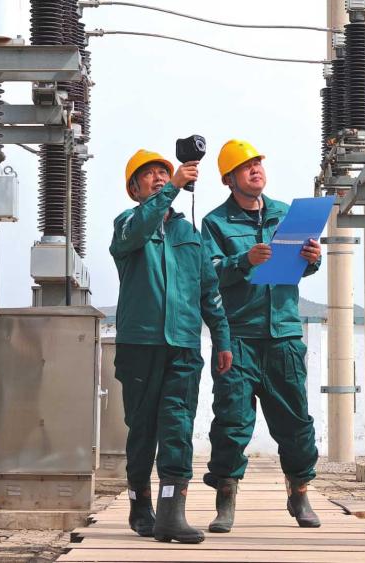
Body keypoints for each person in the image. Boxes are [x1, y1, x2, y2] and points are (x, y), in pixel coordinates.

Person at [110, 149, 234, 544]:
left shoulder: (189, 234)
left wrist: (222, 339)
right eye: (149, 175)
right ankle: (140, 504)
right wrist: (173, 189)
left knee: (178, 427)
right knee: (142, 429)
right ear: (134, 189)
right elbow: (139, 229)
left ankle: (170, 514)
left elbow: (209, 291)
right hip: (139, 345)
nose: (160, 178)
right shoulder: (127, 224)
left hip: (183, 346)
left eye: (164, 172)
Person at [200, 139, 323, 533]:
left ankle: (299, 493)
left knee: (295, 422)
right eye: (245, 166)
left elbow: (299, 268)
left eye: (257, 163)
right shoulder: (215, 223)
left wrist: (312, 260)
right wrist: (243, 260)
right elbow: (206, 273)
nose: (255, 170)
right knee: (231, 422)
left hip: (284, 334)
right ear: (229, 179)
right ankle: (225, 499)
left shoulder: (285, 215)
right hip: (238, 337)